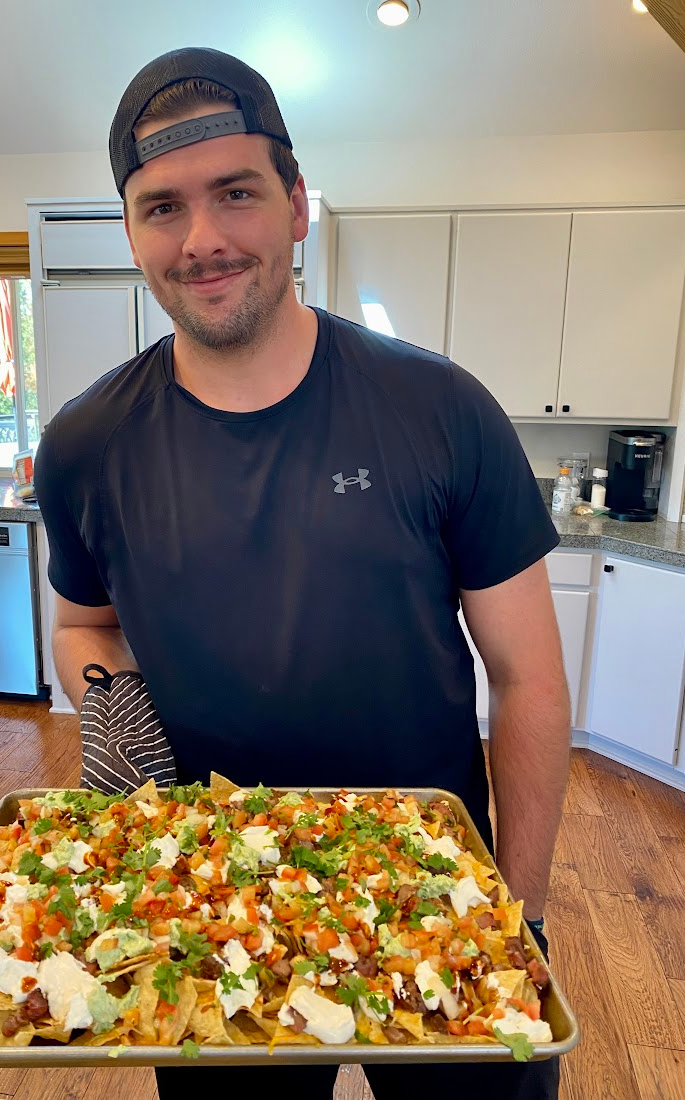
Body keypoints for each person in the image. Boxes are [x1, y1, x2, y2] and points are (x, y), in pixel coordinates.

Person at [34, 46, 570, 1100]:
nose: (202, 240)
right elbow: (84, 623)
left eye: (235, 192)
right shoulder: (86, 443)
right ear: (133, 231)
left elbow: (528, 678)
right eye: (161, 207)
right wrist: (115, 718)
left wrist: (520, 910)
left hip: (431, 889)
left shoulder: (440, 409)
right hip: (214, 904)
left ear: (295, 205)